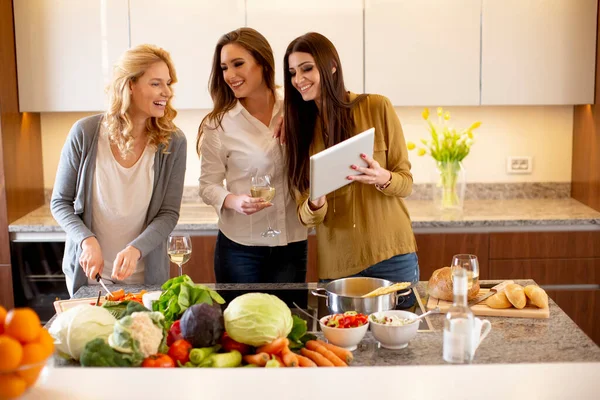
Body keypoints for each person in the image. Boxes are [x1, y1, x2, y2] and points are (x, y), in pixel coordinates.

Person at [282, 32, 419, 306]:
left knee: (400, 344)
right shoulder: (298, 130)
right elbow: (305, 215)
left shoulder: (377, 107)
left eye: (307, 68)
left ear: (331, 65)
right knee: (343, 347)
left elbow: (406, 181)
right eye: (293, 72)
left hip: (392, 255)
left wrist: (383, 177)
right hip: (339, 265)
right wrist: (315, 202)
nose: (299, 79)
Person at [51, 44, 187, 296]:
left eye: (168, 83)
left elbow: (168, 214)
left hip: (145, 278)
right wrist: (86, 240)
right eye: (156, 83)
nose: (167, 92)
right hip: (92, 278)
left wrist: (136, 249)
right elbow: (60, 202)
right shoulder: (86, 133)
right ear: (130, 85)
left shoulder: (173, 141)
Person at [198, 28, 308, 284]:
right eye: (224, 67)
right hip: (240, 249)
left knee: (290, 322)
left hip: (292, 242)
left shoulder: (296, 110)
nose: (230, 75)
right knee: (239, 323)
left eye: (238, 64)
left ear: (262, 63)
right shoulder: (219, 124)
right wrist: (233, 200)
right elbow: (207, 186)